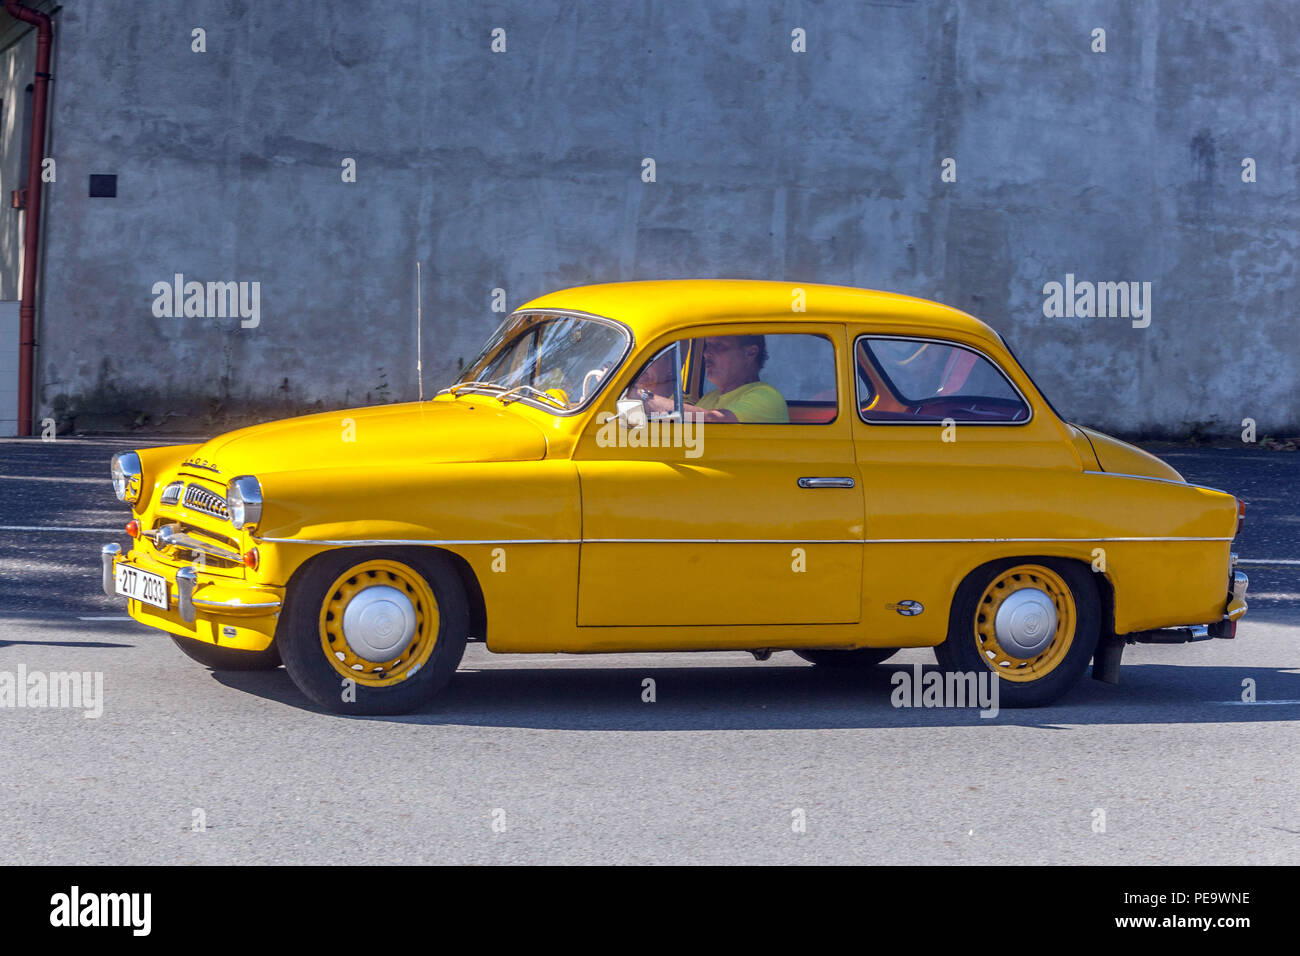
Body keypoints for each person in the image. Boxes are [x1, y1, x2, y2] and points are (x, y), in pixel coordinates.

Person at [642, 335, 787, 423]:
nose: (706, 353)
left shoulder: (766, 396)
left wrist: (644, 397)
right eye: (707, 346)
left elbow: (714, 420)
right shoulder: (710, 398)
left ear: (750, 353)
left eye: (718, 346)